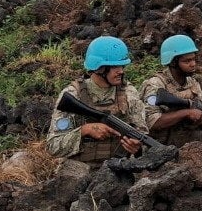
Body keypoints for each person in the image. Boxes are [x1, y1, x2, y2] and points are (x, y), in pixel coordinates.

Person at [47, 36, 147, 164]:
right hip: (79, 170)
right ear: (99, 68)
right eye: (114, 66)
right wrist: (85, 130)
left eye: (122, 66)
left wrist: (136, 146)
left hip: (119, 167)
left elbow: (142, 133)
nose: (121, 71)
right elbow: (53, 146)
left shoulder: (129, 93)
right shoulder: (73, 95)